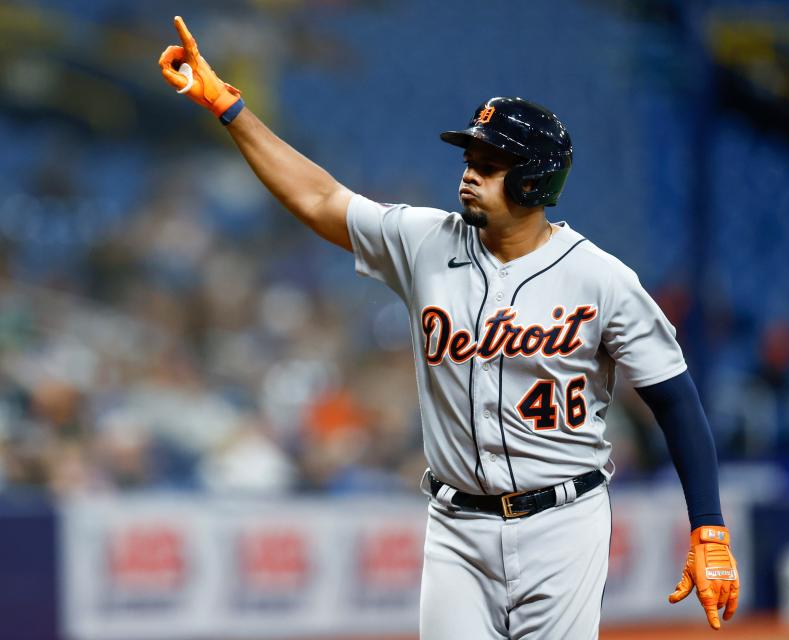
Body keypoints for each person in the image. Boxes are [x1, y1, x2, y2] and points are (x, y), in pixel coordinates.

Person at [158, 16, 739, 639]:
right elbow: (320, 199)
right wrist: (228, 106)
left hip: (564, 523)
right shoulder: (424, 242)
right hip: (457, 526)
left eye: (490, 164)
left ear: (535, 180)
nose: (470, 171)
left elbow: (675, 401)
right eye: (471, 157)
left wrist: (708, 524)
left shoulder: (600, 279)